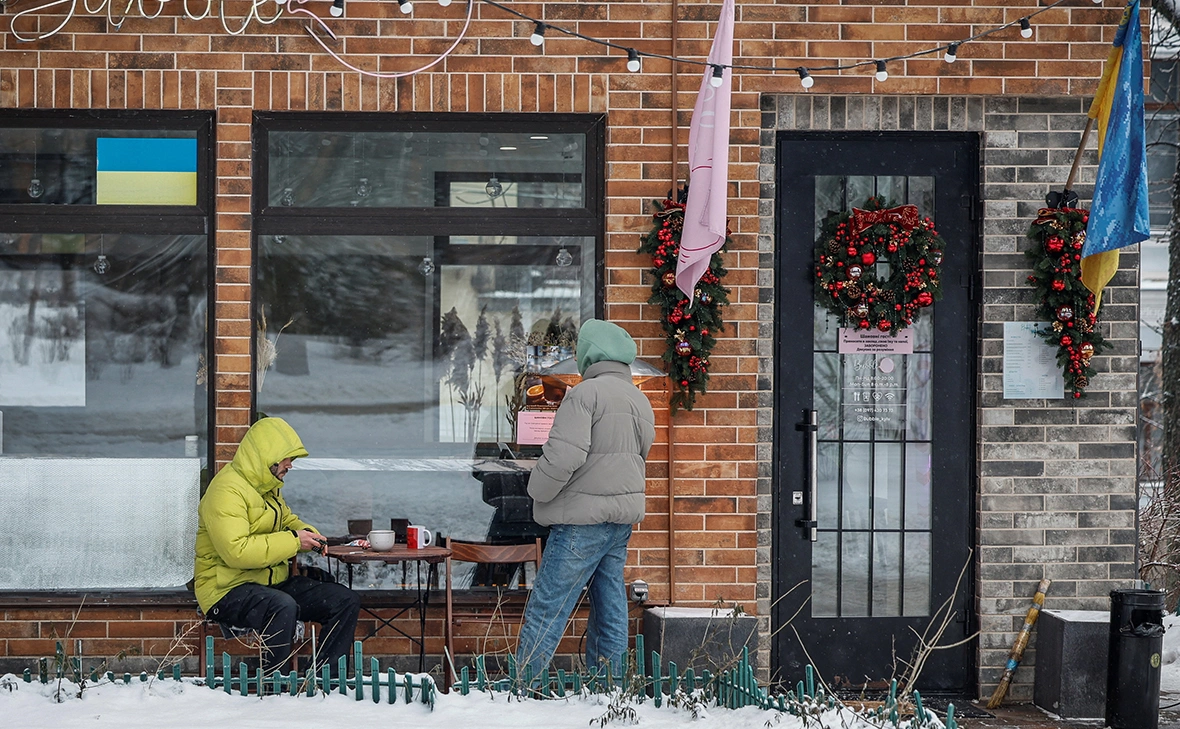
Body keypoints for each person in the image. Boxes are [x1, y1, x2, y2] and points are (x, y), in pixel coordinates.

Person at [514, 319, 656, 679]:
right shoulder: (639, 399)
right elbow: (641, 454)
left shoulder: (584, 394)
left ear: (588, 354)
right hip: (619, 522)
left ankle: (524, 688)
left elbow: (564, 457)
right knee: (610, 608)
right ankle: (609, 687)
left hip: (580, 520)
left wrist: (535, 490)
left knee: (548, 606)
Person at [193, 416, 361, 677]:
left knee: (344, 600)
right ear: (268, 456)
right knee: (282, 606)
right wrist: (295, 541)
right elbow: (237, 551)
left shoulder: (268, 488)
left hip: (267, 584)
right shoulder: (226, 491)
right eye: (287, 459)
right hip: (224, 590)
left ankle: (324, 679)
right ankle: (274, 684)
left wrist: (311, 536)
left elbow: (287, 521)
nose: (290, 465)